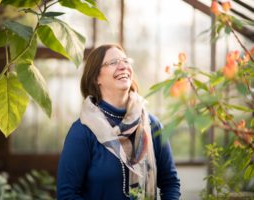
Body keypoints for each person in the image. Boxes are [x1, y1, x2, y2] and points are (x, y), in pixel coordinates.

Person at [57, 44, 181, 200]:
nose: (123, 66)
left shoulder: (152, 125)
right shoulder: (82, 131)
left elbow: (170, 184)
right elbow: (67, 194)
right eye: (113, 62)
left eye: (125, 60)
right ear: (96, 78)